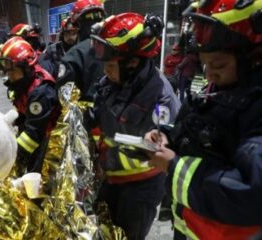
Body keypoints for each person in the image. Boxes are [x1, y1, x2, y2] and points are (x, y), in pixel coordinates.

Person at [145, 0, 262, 239]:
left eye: (218, 64)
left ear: (256, 57)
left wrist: (173, 166)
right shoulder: (225, 88)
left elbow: (253, 194)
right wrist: (168, 136)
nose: (208, 73)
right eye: (203, 63)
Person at [88, 12, 180, 239]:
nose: (105, 71)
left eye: (110, 65)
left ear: (133, 62)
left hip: (141, 189)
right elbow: (100, 114)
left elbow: (163, 150)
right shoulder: (113, 82)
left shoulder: (161, 100)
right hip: (110, 179)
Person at [0, 37, 59, 174]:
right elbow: (23, 114)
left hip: (48, 141)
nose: (9, 76)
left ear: (26, 67)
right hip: (37, 132)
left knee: (37, 176)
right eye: (7, 72)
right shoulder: (24, 83)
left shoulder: (40, 93)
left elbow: (34, 134)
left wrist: (11, 157)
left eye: (12, 71)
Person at [56, 0, 106, 102]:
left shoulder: (74, 55)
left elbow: (66, 98)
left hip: (88, 116)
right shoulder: (118, 46)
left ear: (77, 24)